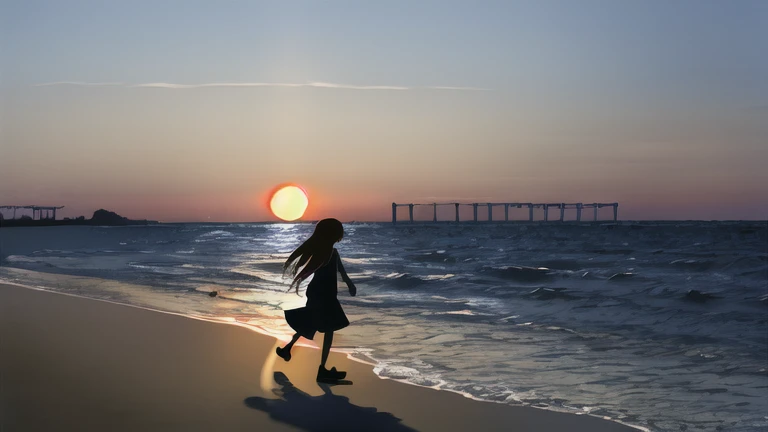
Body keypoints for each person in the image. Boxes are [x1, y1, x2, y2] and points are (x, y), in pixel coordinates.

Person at [276, 218, 357, 382]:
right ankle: (322, 370)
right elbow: (337, 272)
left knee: (310, 322)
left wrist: (349, 284)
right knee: (328, 328)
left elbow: (341, 271)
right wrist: (349, 284)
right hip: (323, 294)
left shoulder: (330, 251)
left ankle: (288, 349)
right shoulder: (327, 252)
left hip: (321, 293)